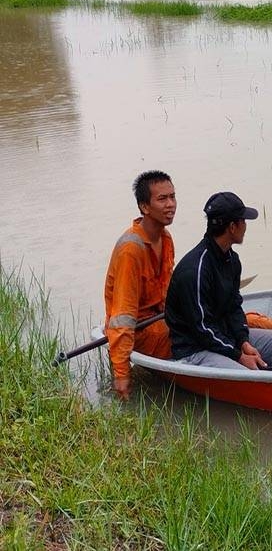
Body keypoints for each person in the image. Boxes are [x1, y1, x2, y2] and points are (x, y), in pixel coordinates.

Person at [165, 191, 272, 370]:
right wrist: (239, 356)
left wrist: (244, 341)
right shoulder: (195, 269)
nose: (245, 226)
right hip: (195, 349)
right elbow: (202, 329)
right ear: (232, 227)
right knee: (244, 372)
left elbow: (234, 307)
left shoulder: (231, 259)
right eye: (243, 221)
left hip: (225, 337)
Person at [103, 170, 176, 400]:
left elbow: (167, 291)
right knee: (197, 336)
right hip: (142, 330)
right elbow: (123, 317)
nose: (171, 205)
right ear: (145, 207)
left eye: (173, 197)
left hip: (159, 318)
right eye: (162, 199)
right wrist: (122, 373)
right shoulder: (131, 249)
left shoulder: (166, 238)